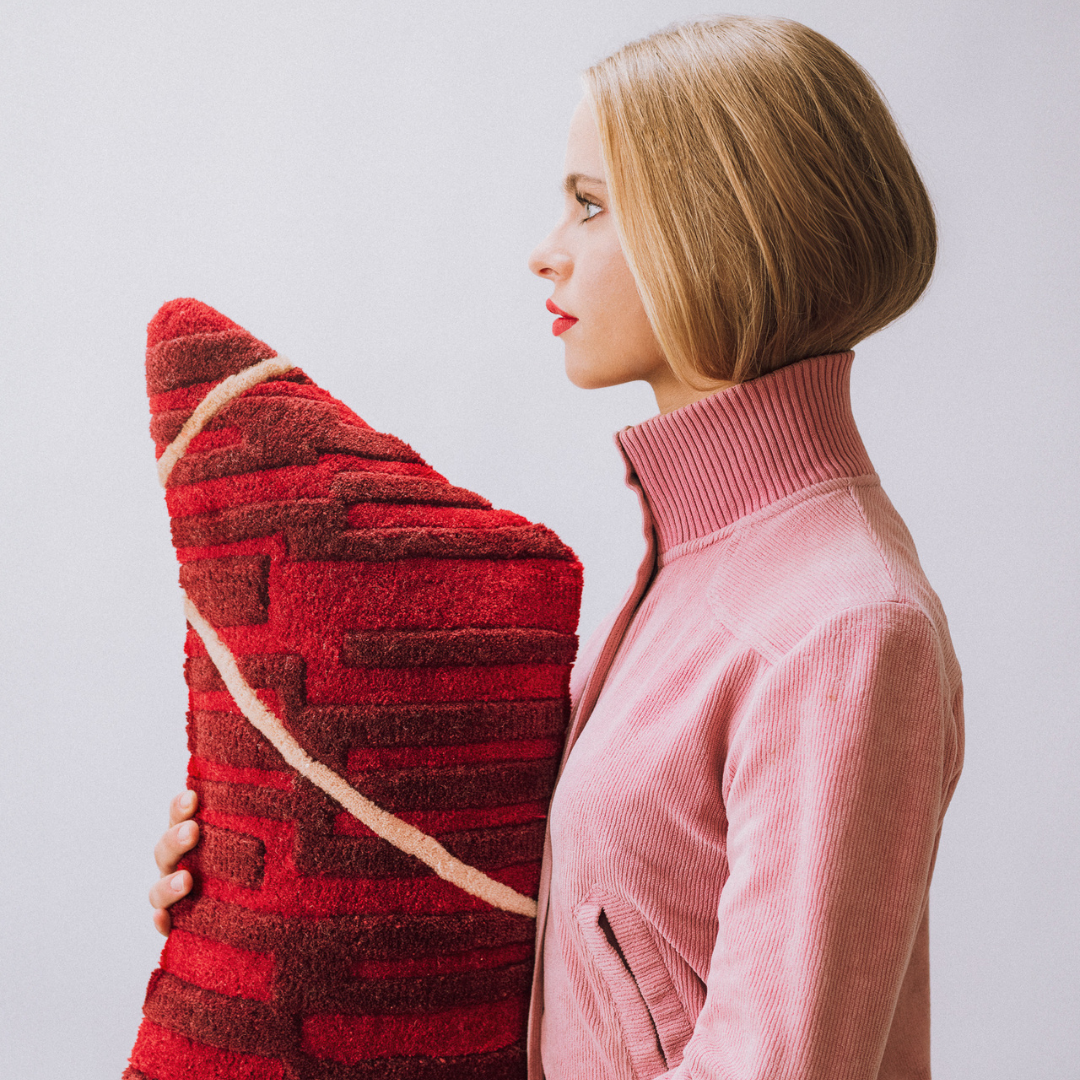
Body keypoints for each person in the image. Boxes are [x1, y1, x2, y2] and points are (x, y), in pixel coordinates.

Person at [150, 16, 964, 1080]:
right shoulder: (703, 562)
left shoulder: (843, 627)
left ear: (718, 225)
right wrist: (263, 892)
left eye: (590, 204)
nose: (547, 249)